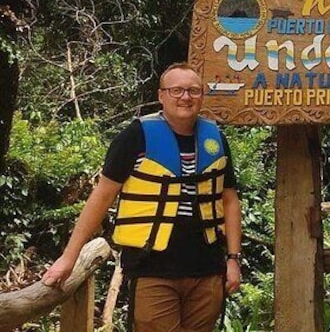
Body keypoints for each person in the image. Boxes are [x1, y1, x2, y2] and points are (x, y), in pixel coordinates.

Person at [43, 62, 243, 331]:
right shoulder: (135, 137)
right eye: (177, 90)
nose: (186, 97)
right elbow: (101, 198)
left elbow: (229, 200)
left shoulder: (215, 137)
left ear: (202, 96)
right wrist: (69, 257)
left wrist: (233, 259)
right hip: (152, 268)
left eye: (194, 91)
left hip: (207, 268)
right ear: (161, 96)